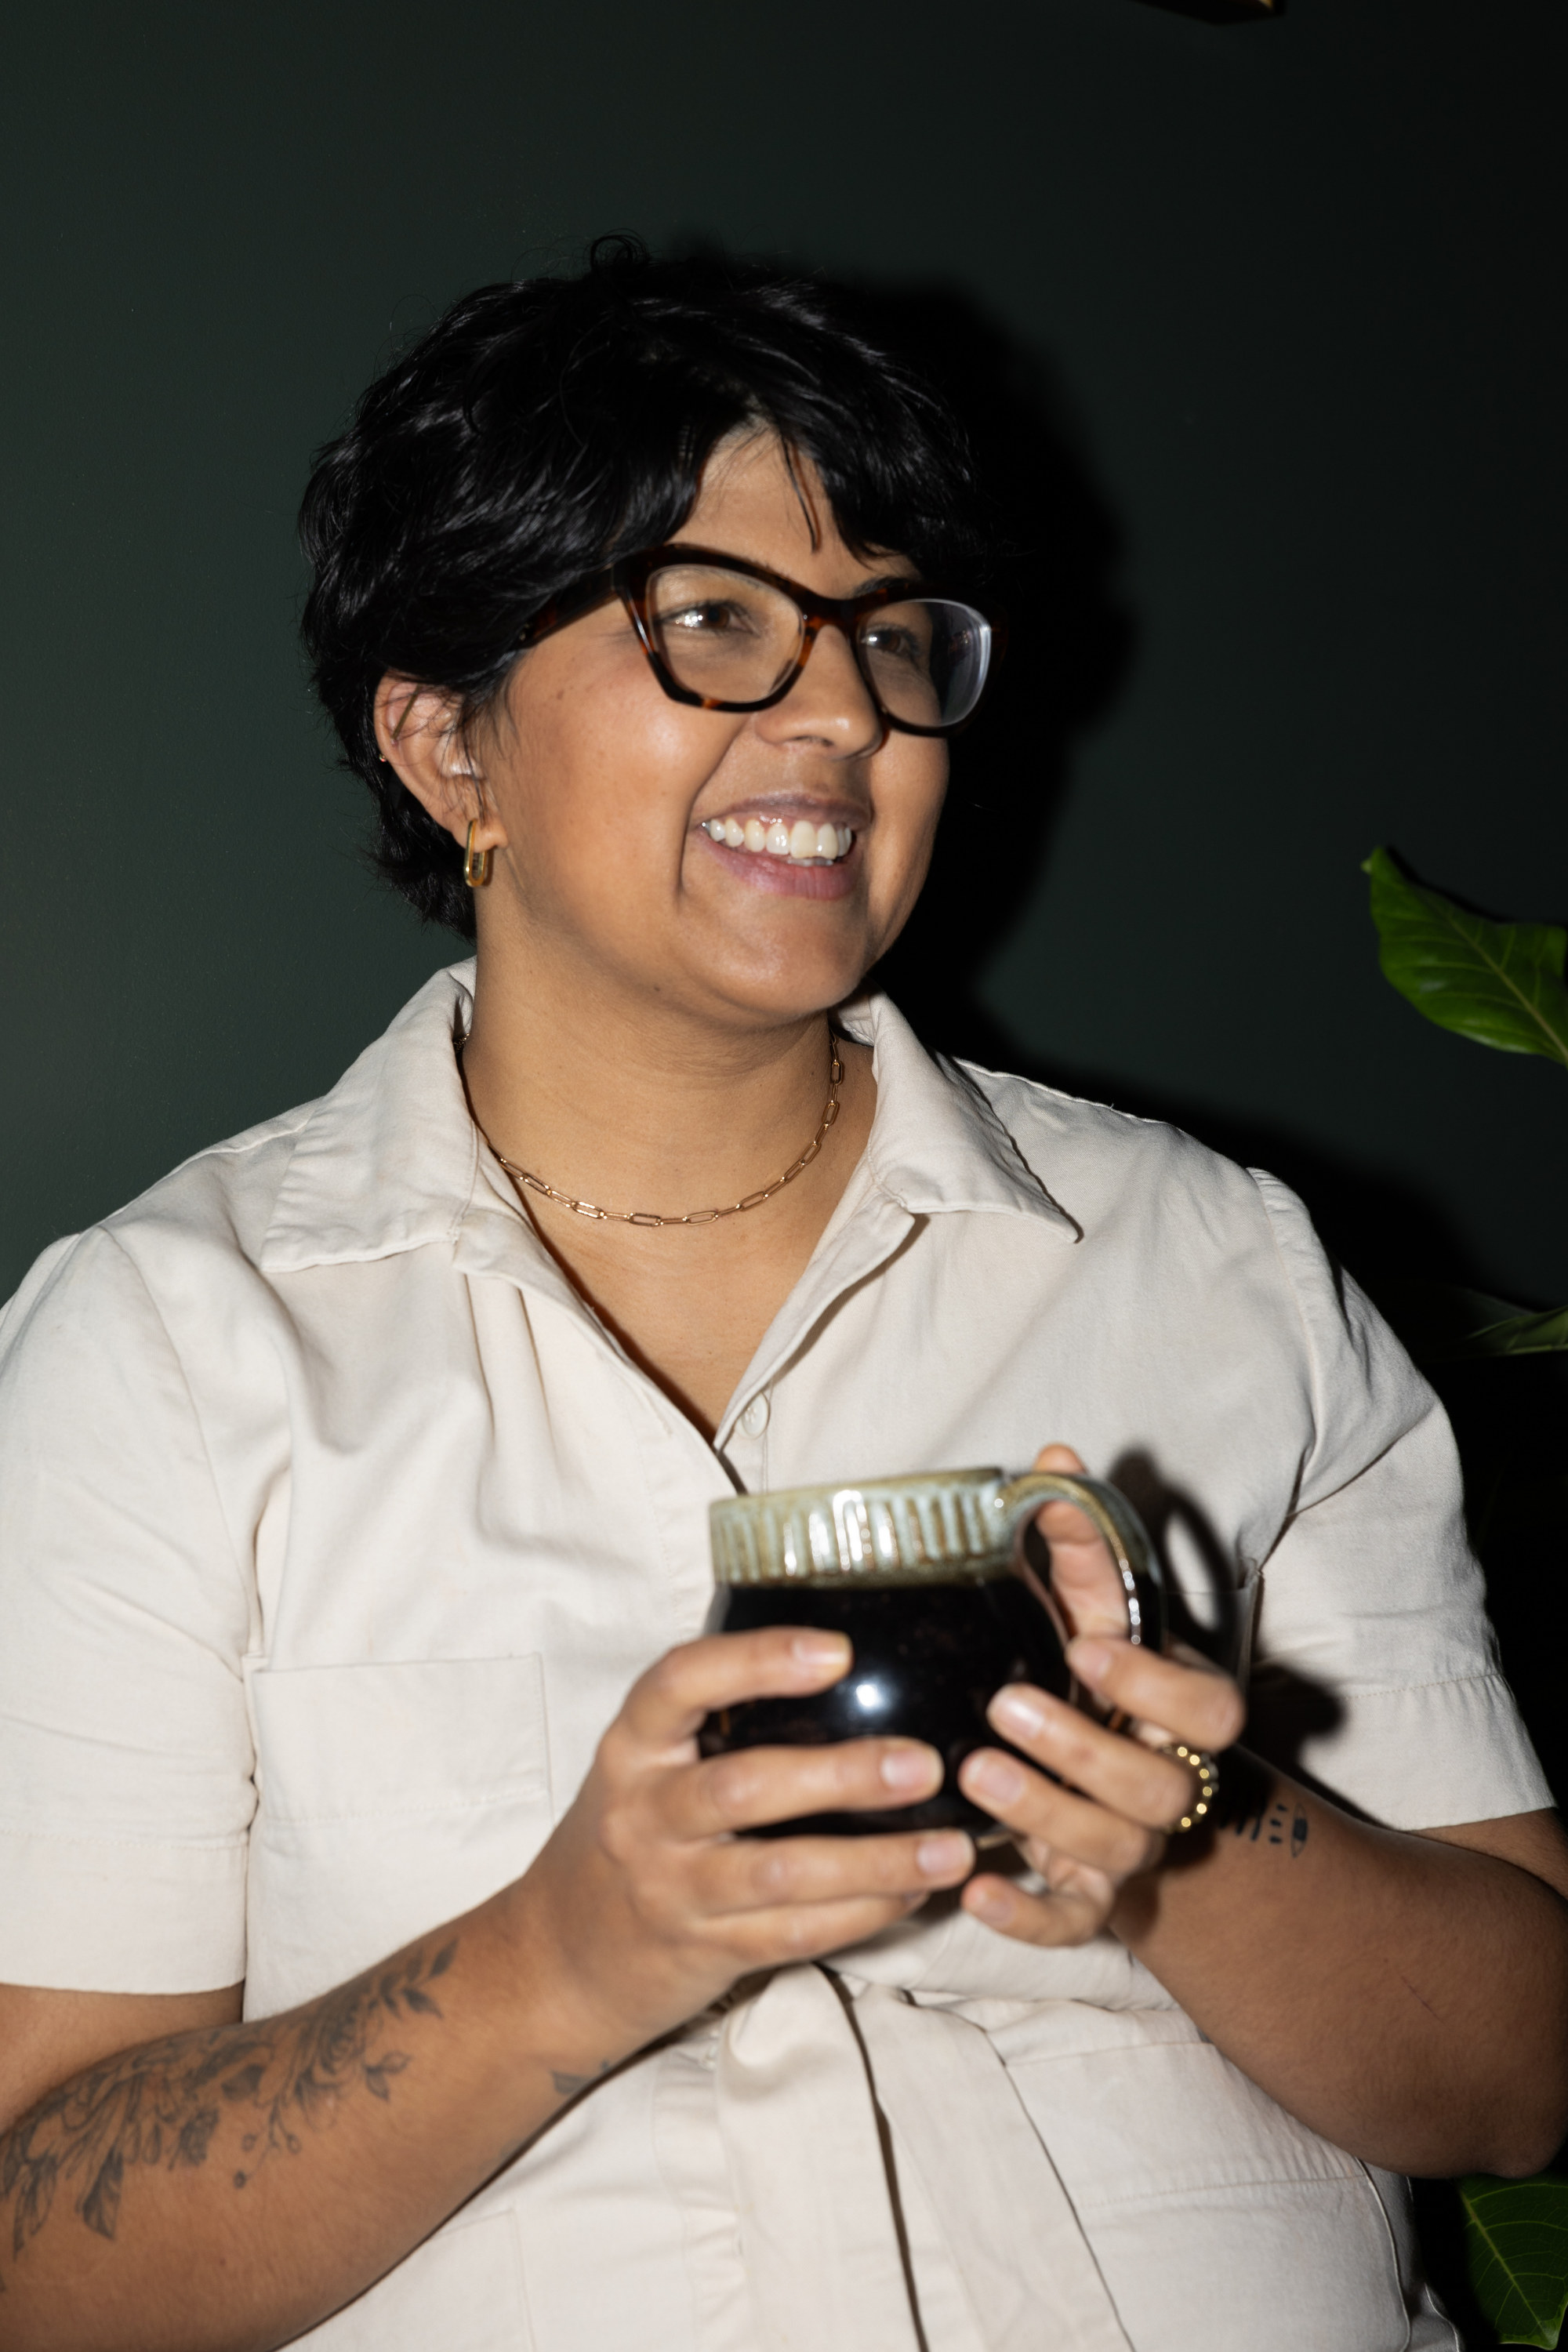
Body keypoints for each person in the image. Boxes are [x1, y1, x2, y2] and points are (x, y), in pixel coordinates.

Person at [0, 241, 1563, 2352]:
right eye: (715, 622)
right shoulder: (164, 1350)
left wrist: (1192, 1829)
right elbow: (30, 2248)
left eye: (891, 638)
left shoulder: (1220, 1269)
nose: (843, 714)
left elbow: (1516, 2077)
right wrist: (562, 1961)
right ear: (449, 746)